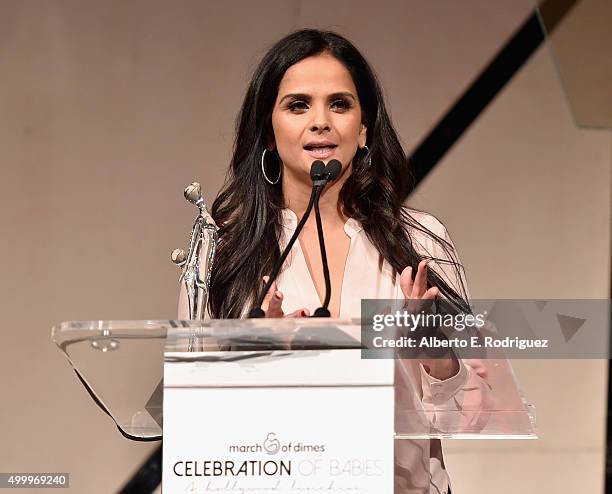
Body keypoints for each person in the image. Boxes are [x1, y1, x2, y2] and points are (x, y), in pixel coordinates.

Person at [184, 29, 491, 494]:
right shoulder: (223, 251)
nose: (321, 122)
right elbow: (197, 422)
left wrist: (434, 353)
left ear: (364, 128)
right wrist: (255, 360)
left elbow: (475, 413)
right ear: (269, 131)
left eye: (340, 104)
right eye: (298, 105)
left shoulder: (420, 241)